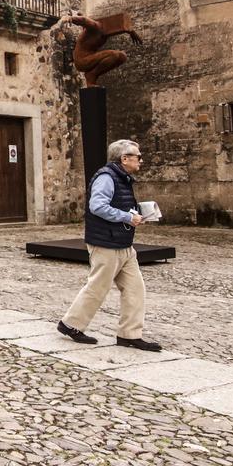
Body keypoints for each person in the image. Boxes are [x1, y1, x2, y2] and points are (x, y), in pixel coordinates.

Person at [58, 139, 163, 351]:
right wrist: (126, 216)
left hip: (123, 244)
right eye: (138, 156)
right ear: (124, 159)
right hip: (106, 243)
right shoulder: (106, 177)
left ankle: (129, 335)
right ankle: (70, 324)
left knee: (135, 290)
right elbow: (97, 206)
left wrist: (138, 215)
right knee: (98, 287)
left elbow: (116, 204)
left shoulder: (122, 178)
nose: (141, 160)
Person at [68, 14, 142, 87]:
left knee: (122, 57)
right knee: (114, 55)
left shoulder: (104, 33)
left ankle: (92, 74)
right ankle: (91, 76)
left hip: (90, 57)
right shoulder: (97, 26)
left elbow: (122, 27)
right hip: (81, 60)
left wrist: (131, 32)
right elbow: (84, 20)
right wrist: (71, 18)